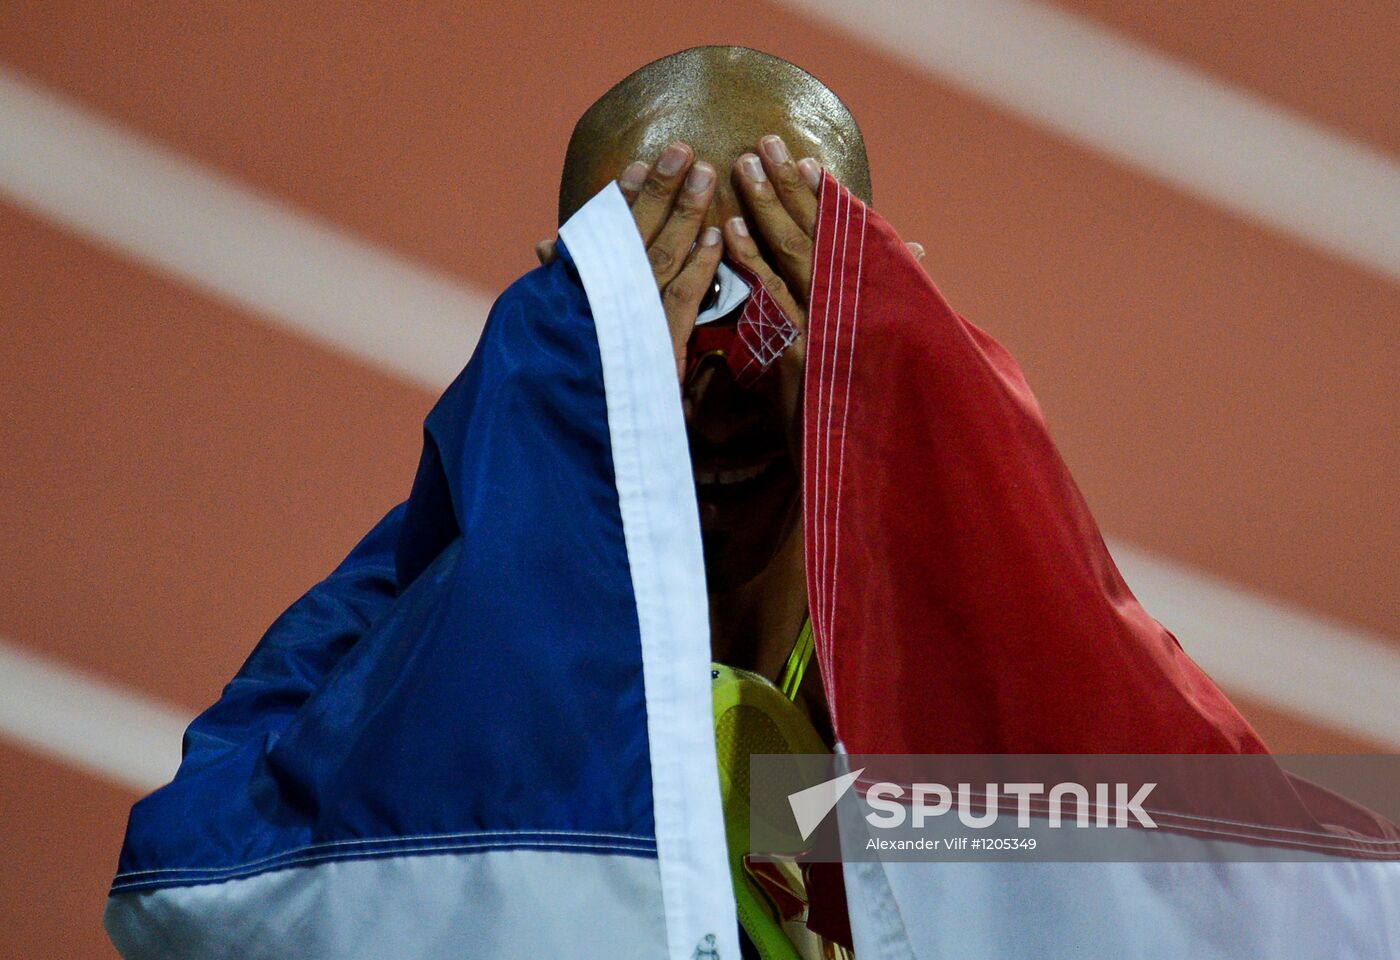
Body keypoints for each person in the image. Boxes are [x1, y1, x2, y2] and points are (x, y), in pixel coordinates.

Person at [105, 47, 1399, 960]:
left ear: (870, 308)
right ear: (566, 308)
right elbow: (188, 885)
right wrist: (530, 422)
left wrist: (929, 422)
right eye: (667, 300)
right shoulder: (438, 625)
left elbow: (1293, 899)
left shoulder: (981, 652)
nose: (710, 392)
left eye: (770, 304)